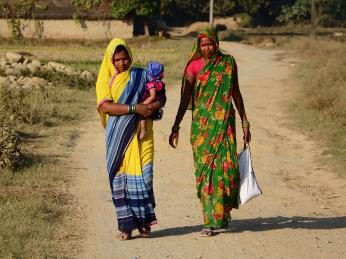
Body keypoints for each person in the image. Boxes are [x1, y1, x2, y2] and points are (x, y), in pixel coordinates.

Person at [169, 27, 251, 237]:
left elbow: (236, 92)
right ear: (198, 46)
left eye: (210, 44)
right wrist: (176, 125)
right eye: (203, 45)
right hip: (202, 128)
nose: (207, 48)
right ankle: (209, 219)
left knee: (226, 171)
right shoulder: (193, 66)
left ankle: (221, 216)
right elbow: (185, 98)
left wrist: (244, 121)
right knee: (205, 173)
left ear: (216, 43)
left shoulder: (228, 63)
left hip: (225, 123)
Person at [96, 38, 164, 241]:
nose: (122, 63)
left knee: (145, 178)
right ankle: (126, 227)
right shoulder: (104, 79)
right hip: (118, 139)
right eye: (117, 60)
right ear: (110, 60)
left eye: (125, 58)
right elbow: (106, 107)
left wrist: (155, 105)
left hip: (143, 138)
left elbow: (161, 94)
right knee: (121, 181)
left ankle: (144, 224)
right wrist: (136, 108)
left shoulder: (141, 75)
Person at [139, 61, 166, 140]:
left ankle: (143, 129)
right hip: (157, 102)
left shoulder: (151, 84)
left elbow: (152, 96)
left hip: (150, 102)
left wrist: (142, 104)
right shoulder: (159, 83)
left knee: (141, 114)